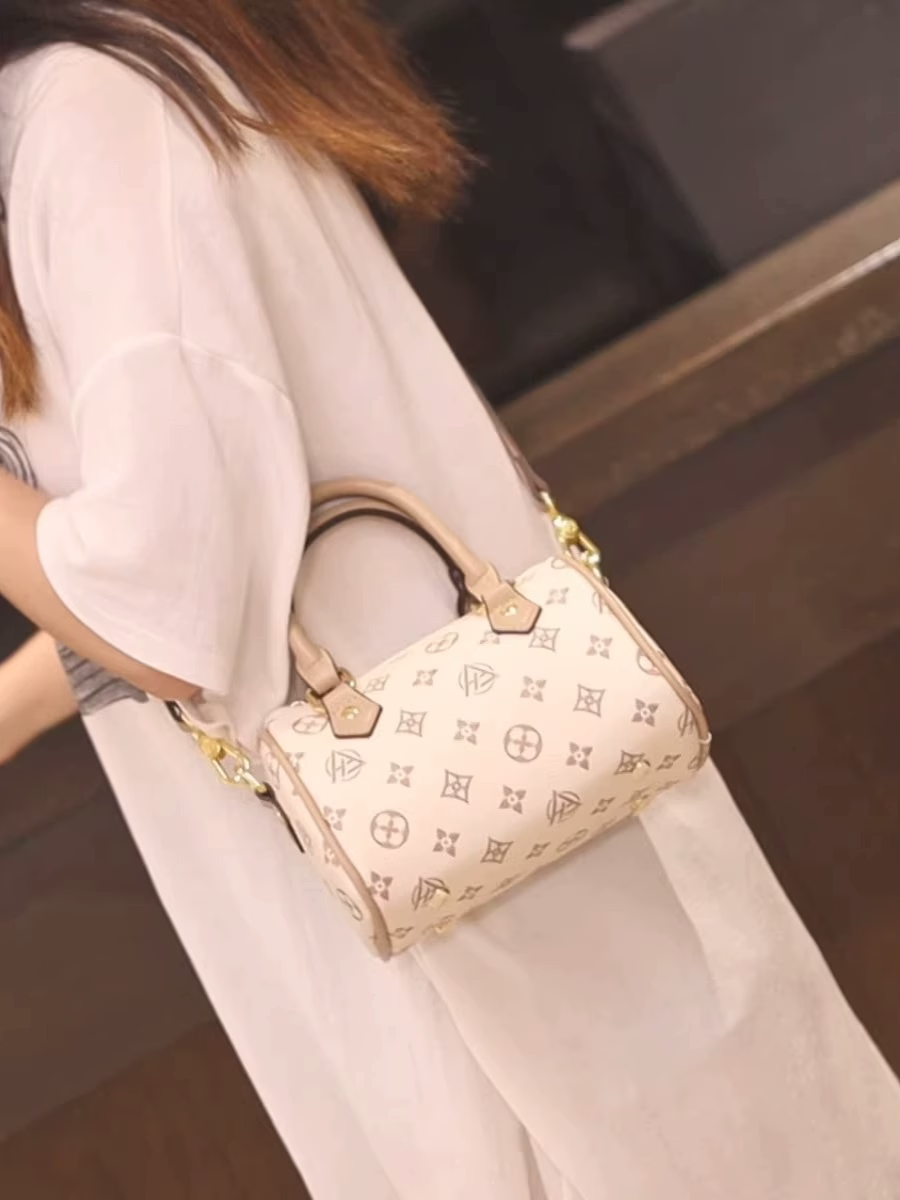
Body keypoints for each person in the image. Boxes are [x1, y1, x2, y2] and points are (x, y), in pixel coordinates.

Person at [0, 4, 898, 1196]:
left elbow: (171, 606)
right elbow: (218, 533)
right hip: (449, 803)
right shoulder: (114, 84)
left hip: (444, 846)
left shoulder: (89, 115)